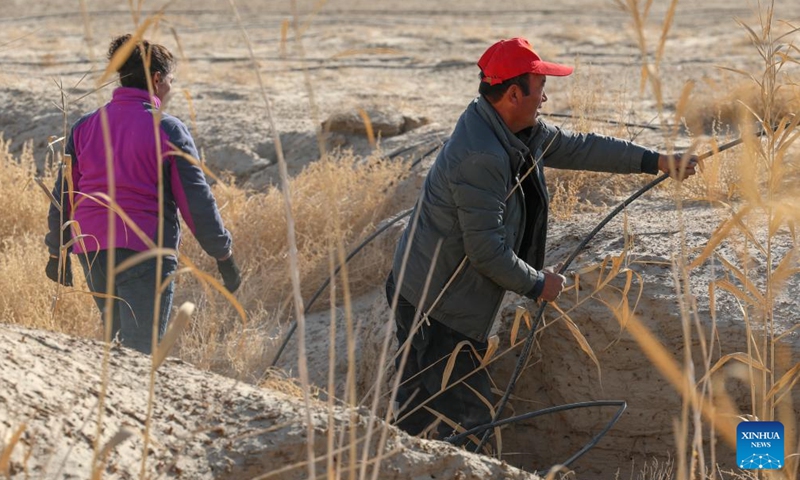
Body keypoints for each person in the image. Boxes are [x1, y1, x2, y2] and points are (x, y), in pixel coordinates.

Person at [385, 37, 697, 445]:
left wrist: (655, 161)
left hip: (434, 287)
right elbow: (485, 251)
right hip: (436, 302)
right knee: (467, 418)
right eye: (540, 87)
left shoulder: (511, 128)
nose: (546, 98)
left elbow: (580, 148)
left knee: (419, 405)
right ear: (514, 93)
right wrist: (537, 283)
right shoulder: (481, 156)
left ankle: (395, 462)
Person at [45, 34, 241, 355]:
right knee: (139, 355)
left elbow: (65, 195)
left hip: (92, 250)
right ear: (157, 79)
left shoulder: (84, 126)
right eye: (170, 80)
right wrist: (224, 255)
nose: (170, 88)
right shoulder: (167, 128)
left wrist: (57, 252)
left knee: (115, 350)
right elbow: (196, 202)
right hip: (145, 251)